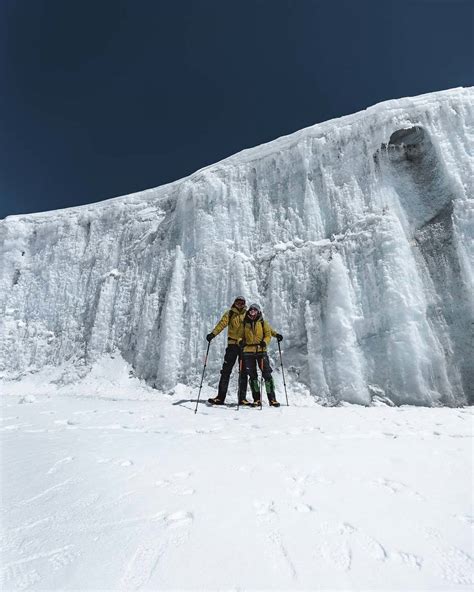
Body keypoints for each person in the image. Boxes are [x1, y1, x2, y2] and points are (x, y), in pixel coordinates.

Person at [206, 296, 251, 405]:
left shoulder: (247, 314)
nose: (240, 304)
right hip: (232, 345)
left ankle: (242, 398)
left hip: (243, 346)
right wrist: (213, 334)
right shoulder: (230, 313)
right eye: (238, 302)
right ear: (234, 303)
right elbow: (222, 324)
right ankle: (220, 397)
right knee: (226, 371)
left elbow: (251, 329)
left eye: (242, 303)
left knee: (243, 372)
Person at [239, 303, 283, 407]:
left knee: (267, 374)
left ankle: (272, 399)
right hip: (248, 352)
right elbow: (240, 336)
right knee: (253, 376)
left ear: (258, 312)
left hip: (261, 351)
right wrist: (240, 342)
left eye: (255, 310)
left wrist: (265, 342)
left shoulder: (263, 322)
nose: (252, 312)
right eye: (251, 310)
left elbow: (268, 334)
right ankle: (256, 399)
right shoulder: (244, 323)